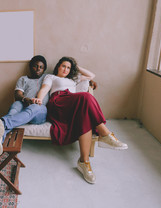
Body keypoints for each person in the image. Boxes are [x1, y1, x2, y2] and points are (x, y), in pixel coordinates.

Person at [34, 56, 128, 184]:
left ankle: (84, 162)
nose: (65, 69)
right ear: (58, 66)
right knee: (86, 97)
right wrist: (39, 99)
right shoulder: (51, 77)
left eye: (68, 67)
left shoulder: (73, 79)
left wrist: (75, 66)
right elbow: (44, 89)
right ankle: (105, 134)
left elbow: (91, 75)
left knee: (85, 117)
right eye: (63, 66)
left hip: (73, 105)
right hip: (59, 103)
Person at [0, 55, 50, 156]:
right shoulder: (23, 79)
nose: (38, 69)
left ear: (44, 69)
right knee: (16, 105)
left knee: (34, 107)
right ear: (31, 67)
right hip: (24, 106)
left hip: (39, 112)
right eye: (35, 66)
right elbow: (17, 94)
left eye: (41, 67)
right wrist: (25, 99)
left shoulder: (47, 78)